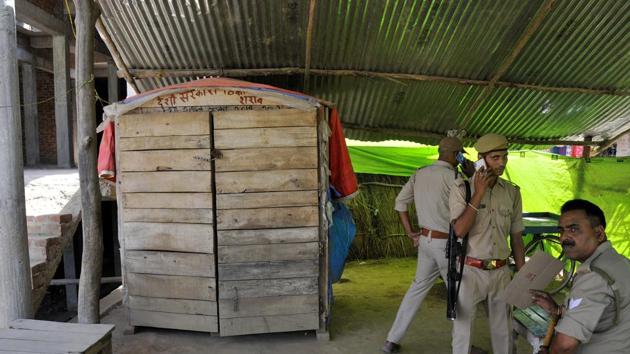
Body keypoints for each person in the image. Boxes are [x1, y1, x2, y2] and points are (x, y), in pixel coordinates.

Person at [382, 136, 472, 353]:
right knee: (459, 295)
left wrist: (410, 233)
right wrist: (472, 177)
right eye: (460, 155)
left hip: (425, 241)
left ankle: (391, 340)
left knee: (416, 289)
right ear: (456, 155)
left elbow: (400, 203)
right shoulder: (456, 177)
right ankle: (463, 347)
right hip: (447, 245)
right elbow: (467, 212)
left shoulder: (420, 173)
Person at [449, 133, 525, 354]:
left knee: (504, 332)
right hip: (468, 270)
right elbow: (459, 230)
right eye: (495, 157)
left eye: (504, 156)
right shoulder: (462, 188)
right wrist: (479, 192)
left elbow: (517, 236)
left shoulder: (512, 192)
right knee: (463, 333)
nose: (501, 162)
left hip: (501, 271)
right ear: (481, 159)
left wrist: (521, 275)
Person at [530, 199, 630, 354]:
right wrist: (557, 310)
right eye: (561, 230)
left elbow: (564, 346)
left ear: (599, 233)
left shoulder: (594, 276)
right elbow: (605, 312)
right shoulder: (620, 262)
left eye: (573, 229)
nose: (563, 238)